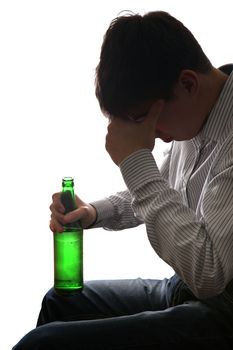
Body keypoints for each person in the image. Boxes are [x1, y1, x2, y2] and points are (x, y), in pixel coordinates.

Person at [13, 10, 233, 350]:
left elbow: (209, 274)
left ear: (188, 83)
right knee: (58, 302)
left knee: (43, 344)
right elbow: (160, 191)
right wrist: (93, 213)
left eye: (146, 120)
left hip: (223, 309)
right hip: (183, 286)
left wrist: (134, 159)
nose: (154, 136)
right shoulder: (197, 114)